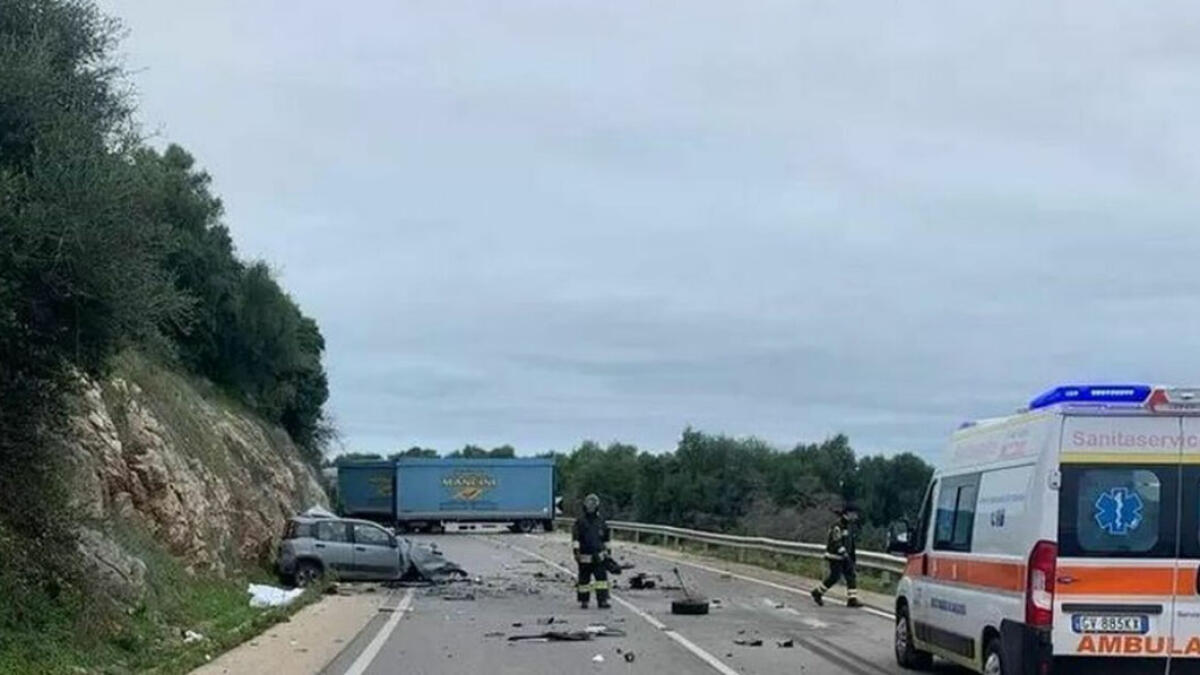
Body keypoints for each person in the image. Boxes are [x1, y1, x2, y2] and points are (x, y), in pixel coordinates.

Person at [811, 504, 862, 608]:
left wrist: (851, 556)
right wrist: (844, 553)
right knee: (834, 577)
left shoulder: (849, 526)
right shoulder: (838, 526)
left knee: (851, 575)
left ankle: (852, 599)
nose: (856, 516)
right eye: (855, 514)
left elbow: (851, 543)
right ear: (848, 513)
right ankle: (818, 592)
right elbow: (836, 542)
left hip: (845, 556)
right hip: (835, 556)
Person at [572, 493, 611, 609]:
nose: (591, 506)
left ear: (597, 506)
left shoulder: (601, 521)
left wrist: (608, 552)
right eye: (589, 504)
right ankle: (584, 601)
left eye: (593, 504)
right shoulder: (580, 522)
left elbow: (606, 538)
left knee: (601, 580)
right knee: (584, 580)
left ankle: (602, 600)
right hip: (585, 556)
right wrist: (576, 552)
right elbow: (576, 538)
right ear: (585, 505)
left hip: (599, 556)